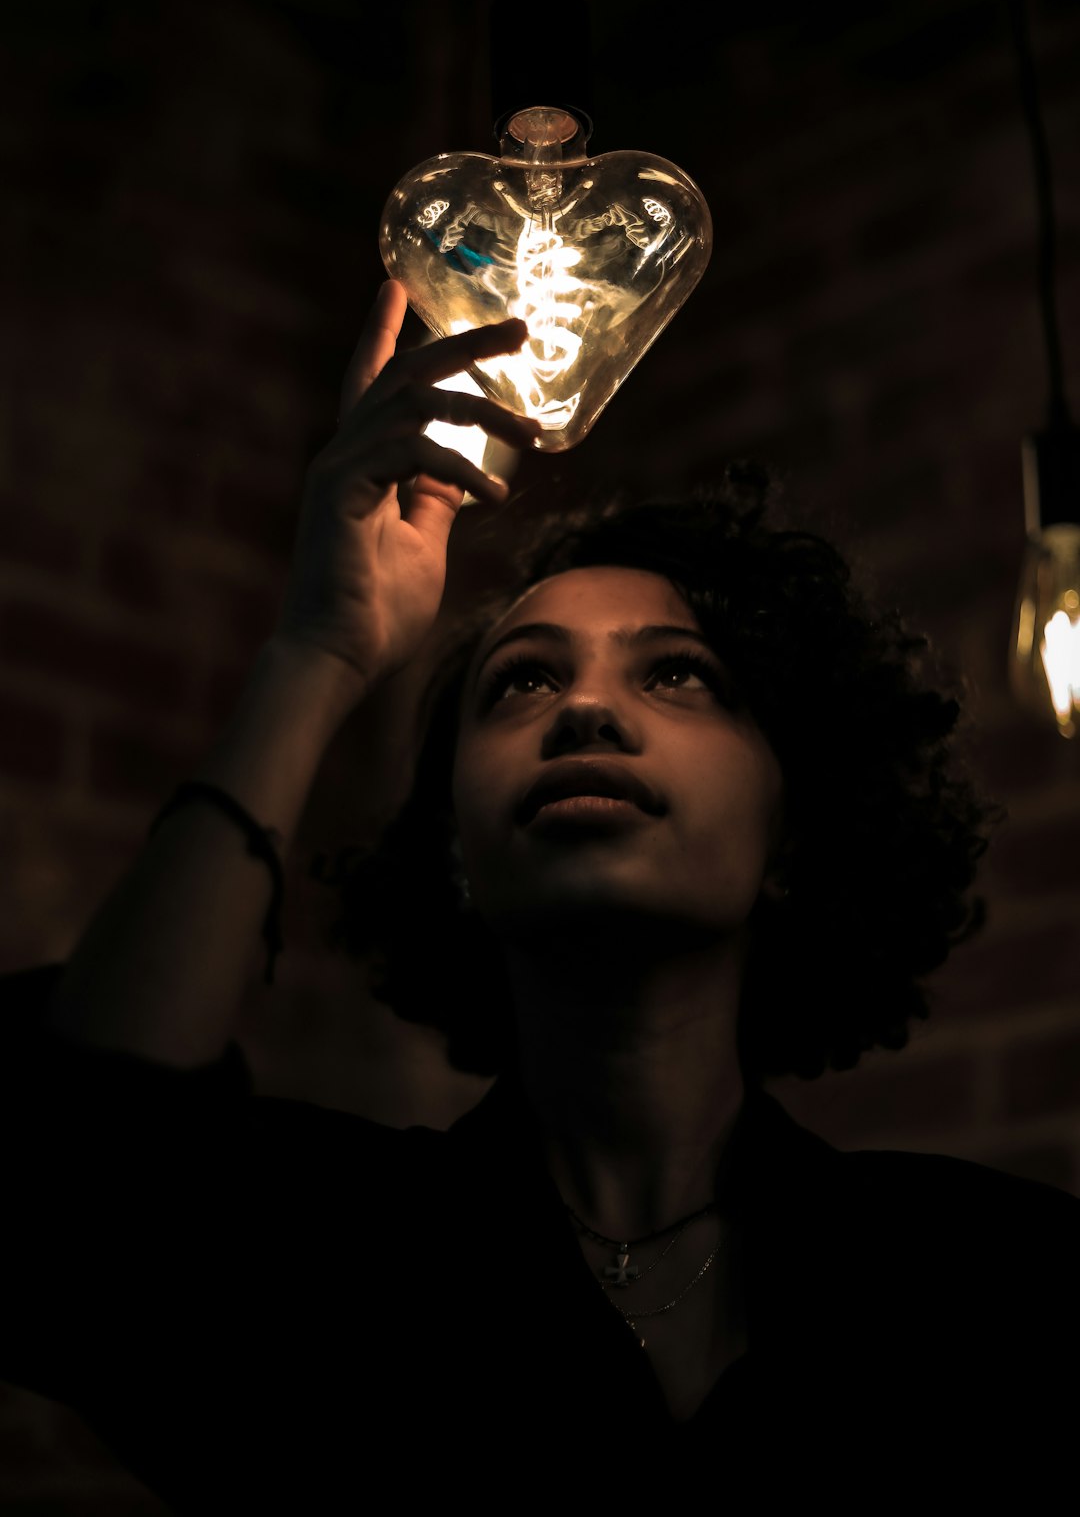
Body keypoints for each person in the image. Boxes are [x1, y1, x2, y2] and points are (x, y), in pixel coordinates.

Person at [1, 279, 1077, 1511]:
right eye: (519, 683)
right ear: (455, 845)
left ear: (791, 829)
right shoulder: (321, 1261)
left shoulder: (1000, 1282)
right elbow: (63, 1176)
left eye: (678, 675)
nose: (585, 708)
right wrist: (319, 653)